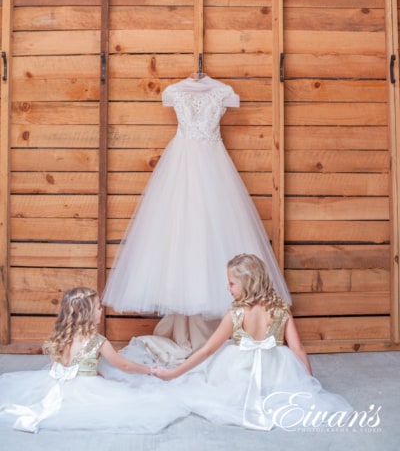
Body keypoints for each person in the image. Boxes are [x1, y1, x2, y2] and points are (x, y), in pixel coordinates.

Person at [102, 75, 291, 357]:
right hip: (181, 169)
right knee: (180, 233)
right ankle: (189, 328)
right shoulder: (174, 92)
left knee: (211, 233)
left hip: (214, 172)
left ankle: (208, 332)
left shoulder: (223, 93)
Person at [155, 254, 353, 431]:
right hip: (276, 372)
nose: (227, 288)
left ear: (248, 283)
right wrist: (310, 385)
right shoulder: (280, 309)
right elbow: (297, 349)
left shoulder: (235, 313)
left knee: (207, 382)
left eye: (232, 283)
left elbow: (207, 351)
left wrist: (174, 373)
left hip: (240, 374)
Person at [0, 287, 188, 434]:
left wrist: (88, 370)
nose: (101, 310)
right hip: (85, 389)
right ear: (87, 314)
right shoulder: (98, 341)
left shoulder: (60, 337)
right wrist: (150, 370)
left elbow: (55, 366)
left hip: (54, 384)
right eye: (98, 307)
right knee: (129, 404)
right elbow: (123, 365)